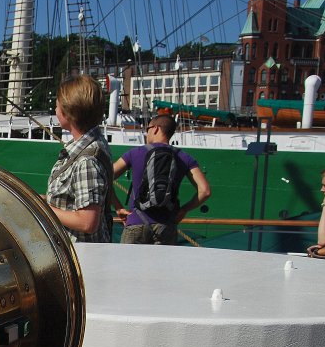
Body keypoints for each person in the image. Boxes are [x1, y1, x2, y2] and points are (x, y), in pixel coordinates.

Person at [111, 114, 211, 245]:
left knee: (127, 265)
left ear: (156, 129)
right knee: (162, 266)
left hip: (136, 222)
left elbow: (105, 178)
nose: (147, 133)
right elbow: (205, 191)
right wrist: (184, 210)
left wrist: (118, 207)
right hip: (166, 226)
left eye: (148, 129)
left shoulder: (134, 153)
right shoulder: (184, 157)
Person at [46, 74, 113, 243]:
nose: (55, 109)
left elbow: (87, 221)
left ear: (69, 112)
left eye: (57, 105)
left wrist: (44, 209)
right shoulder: (96, 144)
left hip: (81, 257)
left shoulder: (86, 161)